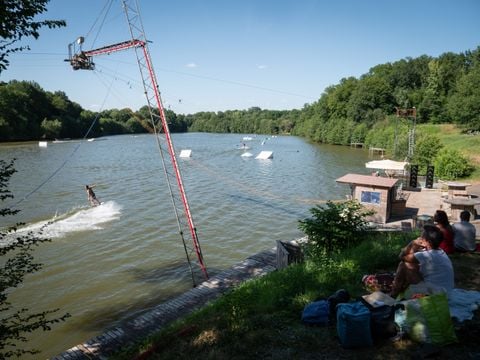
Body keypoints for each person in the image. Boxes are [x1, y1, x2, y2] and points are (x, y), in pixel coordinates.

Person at [390, 224, 454, 298]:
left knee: (403, 265)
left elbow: (401, 257)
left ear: (427, 242)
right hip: (446, 293)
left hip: (435, 294)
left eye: (422, 237)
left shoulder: (426, 255)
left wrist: (412, 243)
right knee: (413, 266)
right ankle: (400, 291)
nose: (420, 238)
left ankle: (393, 294)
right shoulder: (440, 252)